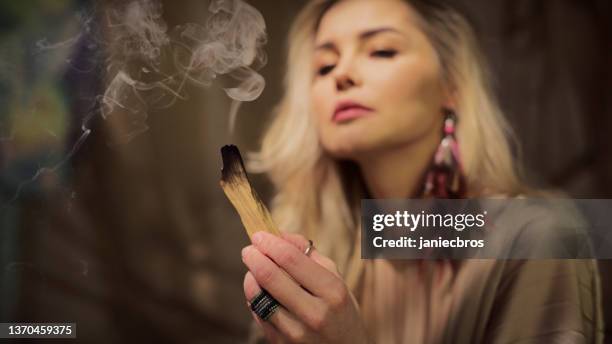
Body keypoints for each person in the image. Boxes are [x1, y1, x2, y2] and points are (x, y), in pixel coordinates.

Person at [239, 0, 604, 343]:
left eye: (382, 50)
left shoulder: (535, 238)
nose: (343, 75)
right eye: (324, 66)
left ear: (452, 85)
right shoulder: (314, 247)